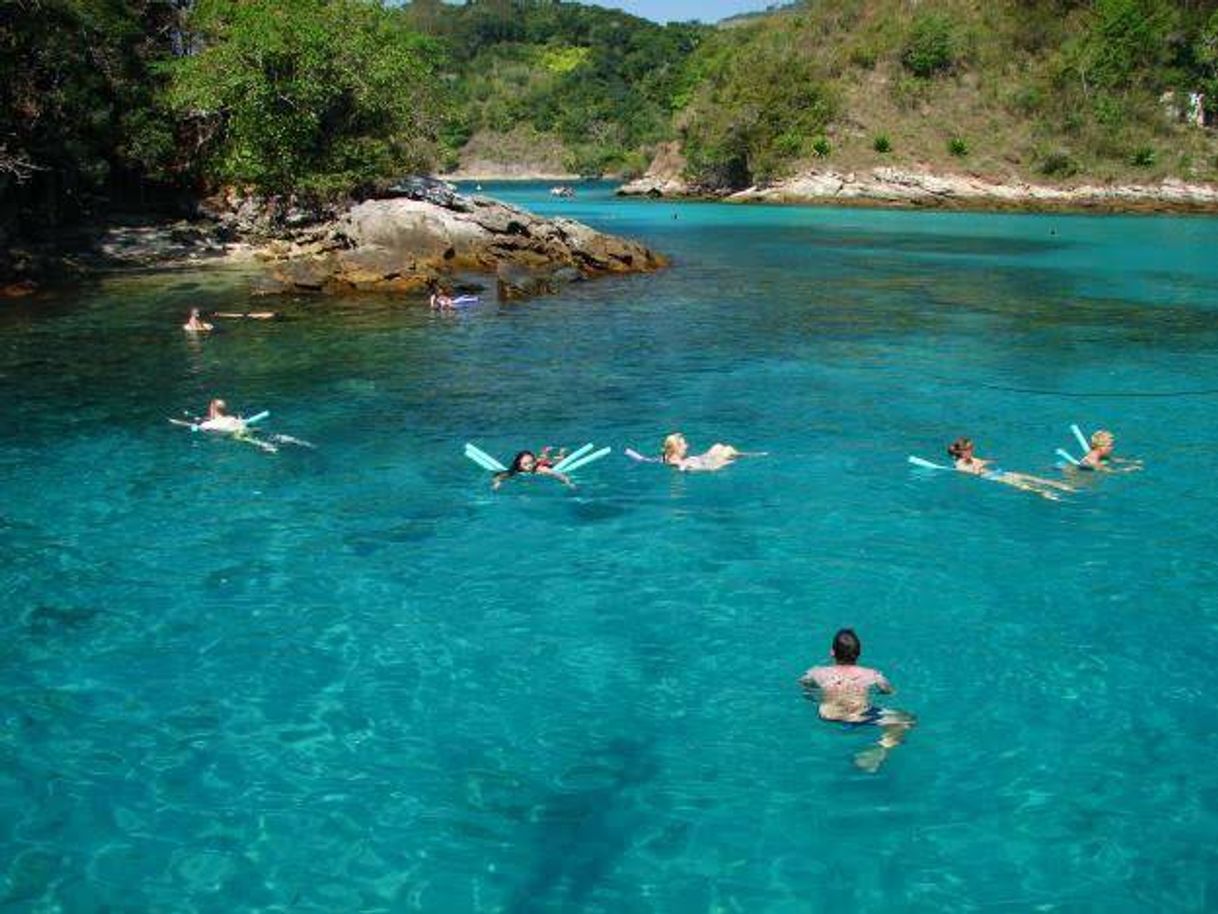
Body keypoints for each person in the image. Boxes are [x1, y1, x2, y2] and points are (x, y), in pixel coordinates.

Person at [800, 628, 915, 773]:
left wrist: (812, 697)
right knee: (907, 719)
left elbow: (804, 684)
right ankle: (883, 746)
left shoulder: (817, 672)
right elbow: (888, 691)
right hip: (859, 715)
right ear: (859, 653)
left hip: (829, 715)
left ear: (832, 652)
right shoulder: (872, 674)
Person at [947, 436, 1074, 500]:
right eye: (970, 448)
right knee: (1020, 484)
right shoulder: (960, 464)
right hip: (991, 477)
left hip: (996, 472)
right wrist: (980, 465)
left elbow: (980, 462)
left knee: (1027, 477)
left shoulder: (971, 458)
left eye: (972, 447)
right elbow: (971, 473)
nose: (972, 450)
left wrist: (987, 462)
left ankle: (1058, 485)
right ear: (962, 451)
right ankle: (1044, 493)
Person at [660, 432, 760, 472]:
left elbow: (656, 459)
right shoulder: (678, 462)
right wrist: (723, 463)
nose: (687, 446)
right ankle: (751, 455)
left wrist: (643, 458)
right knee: (728, 450)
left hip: (701, 459)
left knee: (717, 446)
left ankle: (746, 455)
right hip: (709, 464)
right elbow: (683, 467)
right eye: (684, 444)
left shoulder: (666, 457)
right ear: (676, 449)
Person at [492, 450, 573, 491]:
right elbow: (499, 476)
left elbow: (556, 474)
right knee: (542, 458)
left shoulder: (539, 468)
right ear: (518, 464)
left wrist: (567, 482)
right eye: (525, 464)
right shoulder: (515, 470)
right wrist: (497, 483)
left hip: (545, 464)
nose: (529, 466)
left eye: (531, 463)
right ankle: (544, 452)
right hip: (537, 461)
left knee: (556, 461)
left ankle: (561, 453)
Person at [1076, 429, 1142, 472]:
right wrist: (1128, 469)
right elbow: (1110, 471)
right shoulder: (1093, 459)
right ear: (1101, 447)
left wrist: (1132, 462)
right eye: (1109, 446)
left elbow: (1113, 460)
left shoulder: (1100, 455)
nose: (1112, 448)